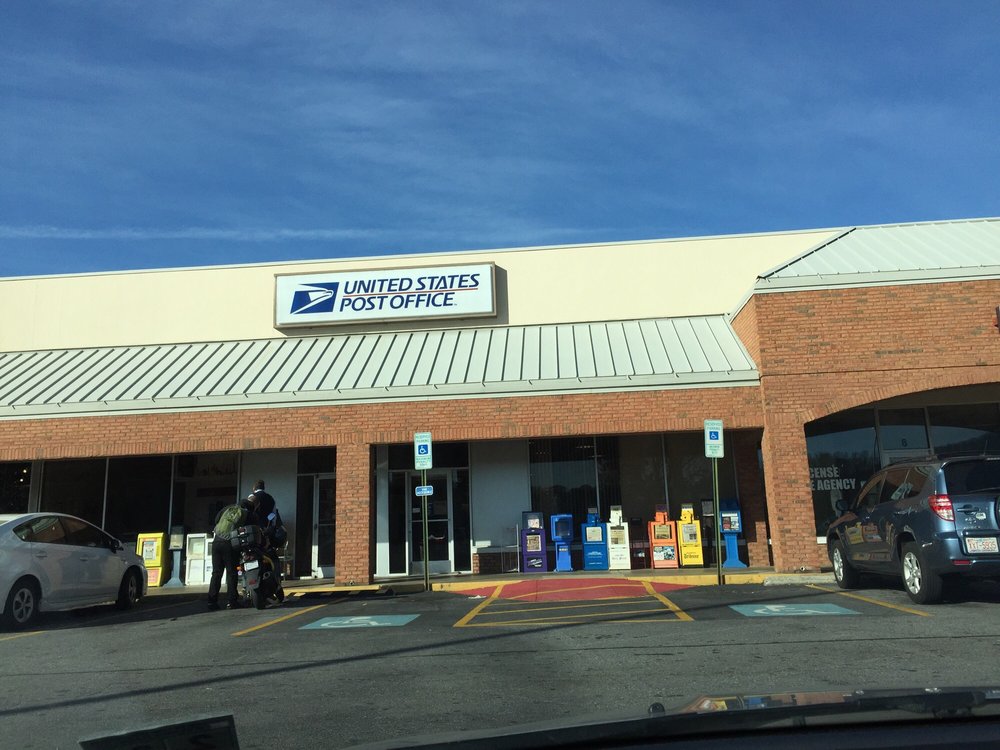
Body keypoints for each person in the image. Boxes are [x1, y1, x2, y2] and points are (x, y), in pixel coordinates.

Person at [207, 498, 250, 610]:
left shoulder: (227, 508)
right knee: (231, 573)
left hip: (216, 542)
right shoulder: (245, 513)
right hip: (229, 543)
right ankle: (231, 602)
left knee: (216, 573)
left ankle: (211, 602)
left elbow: (216, 519)